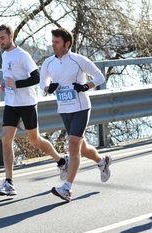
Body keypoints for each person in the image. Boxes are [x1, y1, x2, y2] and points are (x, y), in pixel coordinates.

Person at [0, 24, 68, 196]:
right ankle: (9, 182)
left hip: (27, 103)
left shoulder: (22, 55)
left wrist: (17, 84)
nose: (0, 41)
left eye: (2, 38)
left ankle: (61, 160)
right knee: (6, 139)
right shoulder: (5, 55)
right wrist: (6, 85)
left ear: (11, 36)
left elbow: (36, 77)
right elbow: (11, 78)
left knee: (34, 140)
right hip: (11, 103)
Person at [40, 28, 112, 202]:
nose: (53, 45)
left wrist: (86, 86)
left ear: (67, 44)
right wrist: (48, 88)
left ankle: (67, 188)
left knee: (72, 145)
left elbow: (99, 76)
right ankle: (102, 161)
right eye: (52, 41)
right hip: (64, 109)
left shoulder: (79, 60)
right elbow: (43, 81)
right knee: (81, 148)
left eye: (56, 42)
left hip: (80, 108)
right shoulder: (49, 62)